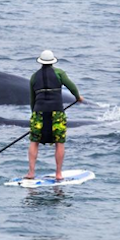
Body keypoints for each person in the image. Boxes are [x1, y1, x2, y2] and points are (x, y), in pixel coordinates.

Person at [25, 50, 84, 181]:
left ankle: (31, 173)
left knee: (34, 142)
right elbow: (72, 87)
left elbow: (32, 99)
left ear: (40, 61)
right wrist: (78, 97)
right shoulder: (59, 73)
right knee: (59, 142)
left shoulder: (34, 77)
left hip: (39, 112)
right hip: (57, 112)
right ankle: (58, 174)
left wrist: (34, 115)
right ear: (53, 61)